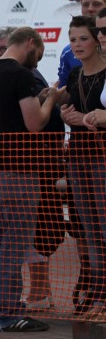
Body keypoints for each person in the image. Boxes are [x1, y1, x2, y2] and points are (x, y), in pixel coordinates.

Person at [0, 27, 62, 332]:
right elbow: (34, 123)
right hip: (19, 168)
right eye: (37, 55)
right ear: (30, 43)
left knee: (0, 236)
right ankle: (9, 312)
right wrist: (51, 99)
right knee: (15, 239)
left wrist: (38, 98)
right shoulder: (21, 75)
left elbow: (10, 112)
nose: (36, 62)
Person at [59, 16, 106, 314]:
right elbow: (70, 109)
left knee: (103, 226)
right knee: (89, 229)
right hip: (78, 157)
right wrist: (66, 114)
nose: (77, 45)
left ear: (96, 39)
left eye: (83, 38)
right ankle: (98, 293)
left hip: (101, 157)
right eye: (73, 39)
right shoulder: (76, 73)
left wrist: (84, 119)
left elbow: (93, 115)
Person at [56, 0, 106, 87]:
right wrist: (53, 95)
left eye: (97, 4)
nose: (90, 8)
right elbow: (64, 90)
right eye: (85, 5)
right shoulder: (69, 52)